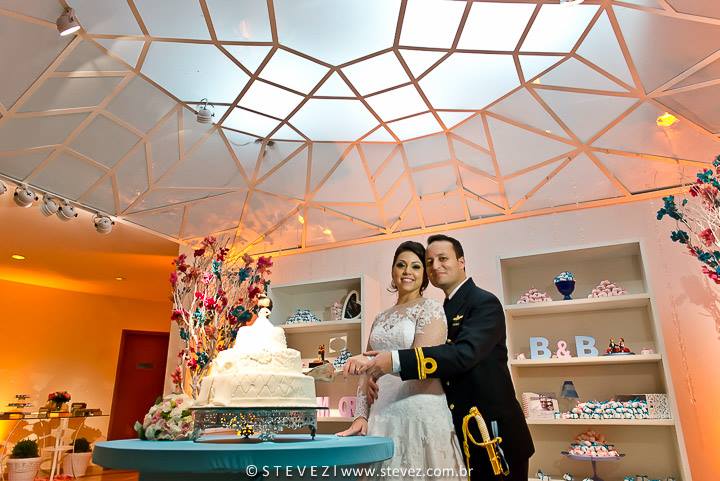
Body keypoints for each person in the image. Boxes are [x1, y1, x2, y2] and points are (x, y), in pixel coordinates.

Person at [346, 234, 534, 481]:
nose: (435, 266)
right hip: (445, 422)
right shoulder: (444, 308)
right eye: (430, 261)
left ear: (461, 262)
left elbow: (463, 354)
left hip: (491, 429)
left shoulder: (482, 302)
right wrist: (368, 389)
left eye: (443, 259)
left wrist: (389, 362)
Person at [337, 240, 465, 480]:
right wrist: (361, 415)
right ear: (393, 270)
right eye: (401, 265)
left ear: (425, 275)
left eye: (416, 266)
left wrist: (372, 366)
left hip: (417, 410)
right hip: (381, 413)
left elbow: (420, 363)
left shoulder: (431, 309)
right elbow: (367, 372)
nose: (407, 271)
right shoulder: (380, 317)